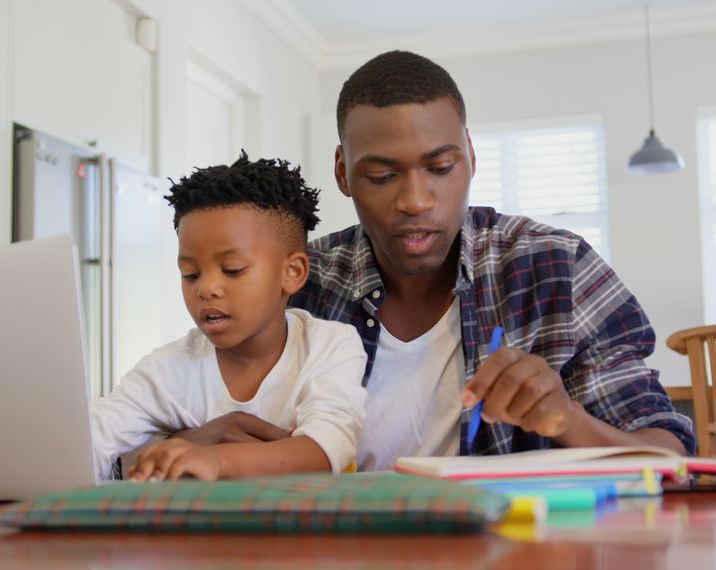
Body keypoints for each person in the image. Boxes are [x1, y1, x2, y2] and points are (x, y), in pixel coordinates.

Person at [287, 50, 694, 471]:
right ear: (342, 172)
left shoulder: (556, 267)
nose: (415, 201)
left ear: (471, 157)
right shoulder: (297, 284)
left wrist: (567, 420)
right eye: (382, 176)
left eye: (441, 167)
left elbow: (670, 457)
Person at [90, 152, 367, 481]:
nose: (205, 289)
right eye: (190, 274)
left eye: (232, 270)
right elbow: (91, 439)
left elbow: (328, 447)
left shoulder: (330, 346)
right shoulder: (166, 372)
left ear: (292, 272)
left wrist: (215, 460)